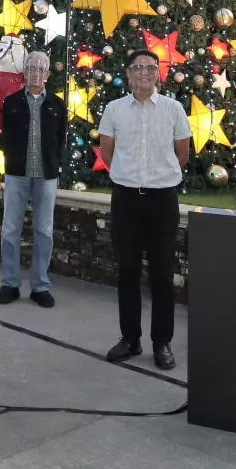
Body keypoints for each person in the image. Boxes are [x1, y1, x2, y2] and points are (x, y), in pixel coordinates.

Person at [98, 49, 191, 371]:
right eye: (138, 68)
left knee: (162, 274)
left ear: (158, 73)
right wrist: (130, 176)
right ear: (128, 73)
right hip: (126, 199)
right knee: (127, 270)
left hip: (162, 200)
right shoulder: (114, 110)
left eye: (150, 68)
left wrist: (156, 176)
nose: (144, 74)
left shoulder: (173, 109)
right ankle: (130, 339)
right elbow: (107, 153)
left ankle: (161, 342)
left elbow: (182, 154)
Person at [0, 50, 66, 307]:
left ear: (47, 74)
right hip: (17, 174)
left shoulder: (57, 105)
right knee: (10, 229)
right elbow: (5, 137)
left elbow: (61, 139)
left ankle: (40, 286)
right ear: (24, 72)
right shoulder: (12, 102)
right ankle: (10, 284)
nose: (35, 73)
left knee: (44, 231)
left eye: (41, 69)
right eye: (31, 68)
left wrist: (56, 165)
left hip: (46, 177)